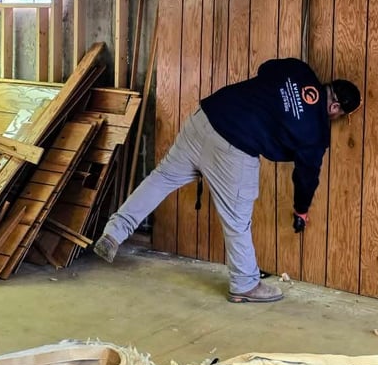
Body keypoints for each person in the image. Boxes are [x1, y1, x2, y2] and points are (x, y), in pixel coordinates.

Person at [93, 57, 360, 303]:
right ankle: (245, 284)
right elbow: (306, 176)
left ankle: (113, 233)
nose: (336, 120)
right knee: (237, 219)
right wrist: (301, 209)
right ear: (335, 107)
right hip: (235, 147)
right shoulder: (316, 132)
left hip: (207, 117)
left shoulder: (298, 70)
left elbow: (266, 69)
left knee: (161, 178)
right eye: (340, 116)